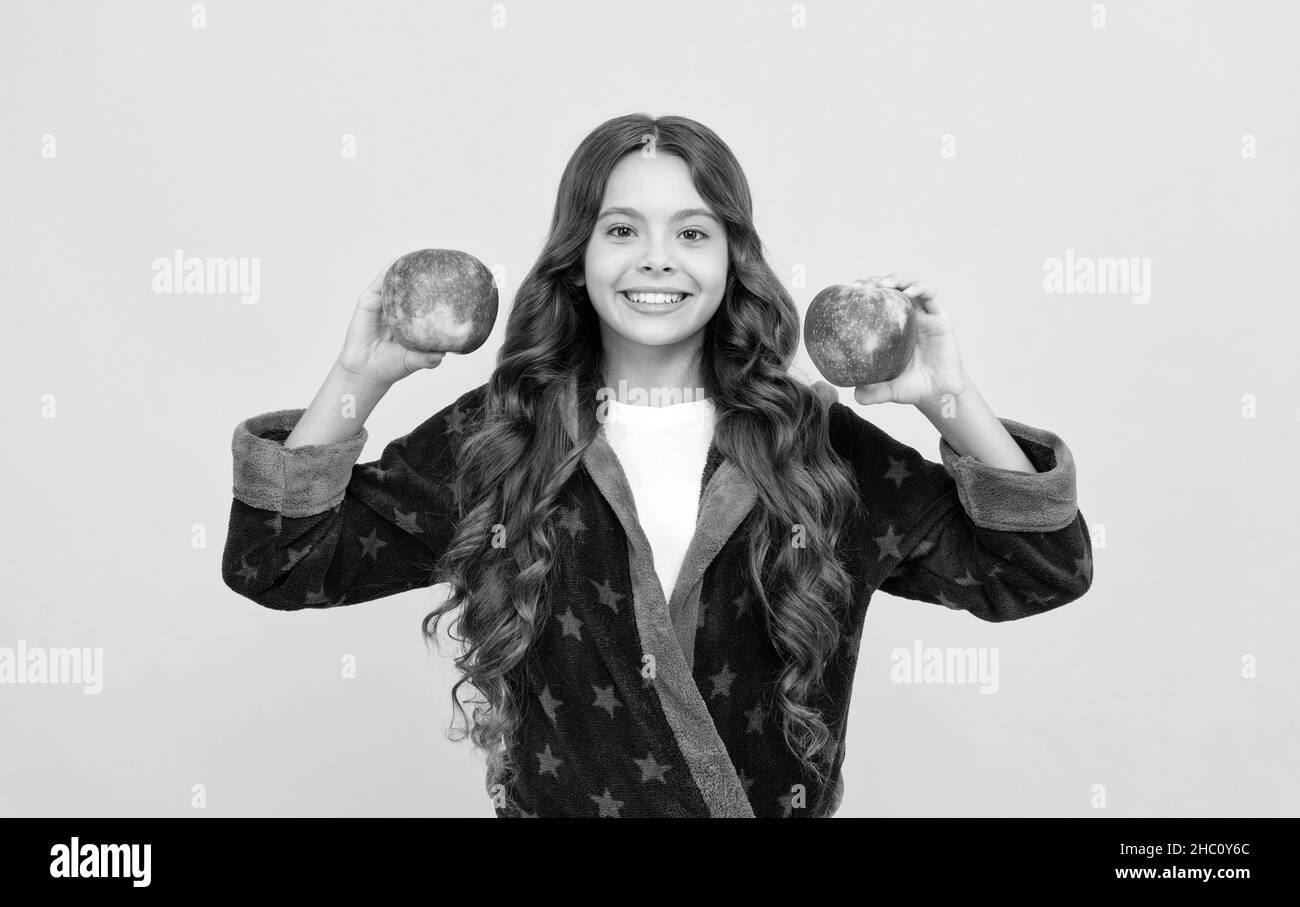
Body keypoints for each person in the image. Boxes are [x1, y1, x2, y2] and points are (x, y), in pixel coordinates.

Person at [222, 113, 1094, 818]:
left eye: (692, 231)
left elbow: (1038, 568)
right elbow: (279, 561)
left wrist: (948, 396)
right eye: (621, 228)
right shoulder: (506, 437)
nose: (656, 258)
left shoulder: (813, 446)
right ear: (578, 258)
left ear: (731, 260)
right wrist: (359, 377)